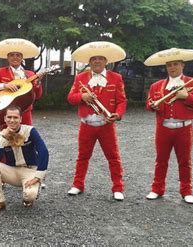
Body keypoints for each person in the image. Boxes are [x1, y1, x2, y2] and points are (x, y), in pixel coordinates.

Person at [144, 48, 193, 204]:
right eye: (169, 65)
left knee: (184, 161)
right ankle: (157, 189)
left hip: (184, 128)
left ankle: (187, 191)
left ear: (182, 65)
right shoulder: (156, 86)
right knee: (161, 160)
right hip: (163, 128)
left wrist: (187, 96)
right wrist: (153, 106)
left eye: (176, 64)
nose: (172, 68)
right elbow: (149, 105)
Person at [66, 41, 127, 201]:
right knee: (82, 156)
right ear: (89, 62)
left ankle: (118, 188)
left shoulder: (116, 78)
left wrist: (118, 114)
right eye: (94, 59)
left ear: (106, 61)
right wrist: (82, 96)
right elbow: (71, 97)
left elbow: (122, 101)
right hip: (86, 124)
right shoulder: (80, 78)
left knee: (113, 157)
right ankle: (78, 185)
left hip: (106, 125)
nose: (97, 61)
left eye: (100, 59)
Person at [0, 106, 49, 215]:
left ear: (20, 119)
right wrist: (3, 139)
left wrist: (38, 176)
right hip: (13, 171)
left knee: (29, 196)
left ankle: (30, 194)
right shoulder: (0, 136)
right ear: (4, 119)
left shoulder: (30, 131)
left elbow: (43, 151)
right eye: (9, 117)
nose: (12, 120)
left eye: (15, 117)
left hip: (30, 171)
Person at [0, 38, 43, 128]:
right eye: (12, 55)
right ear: (8, 58)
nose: (15, 57)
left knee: (26, 138)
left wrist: (38, 82)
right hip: (7, 112)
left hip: (25, 112)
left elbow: (37, 96)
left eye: (18, 55)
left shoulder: (30, 74)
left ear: (22, 58)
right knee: (6, 139)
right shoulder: (0, 72)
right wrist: (5, 85)